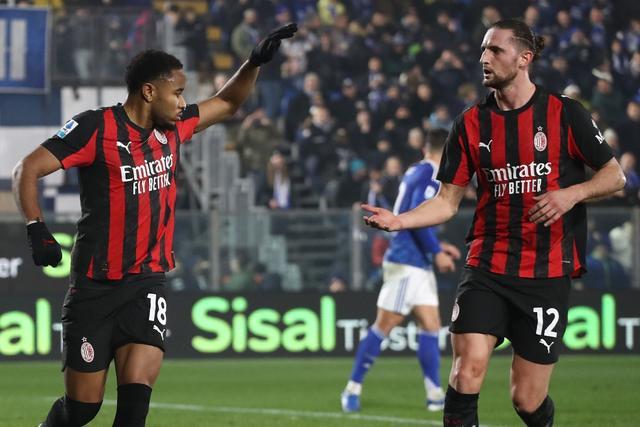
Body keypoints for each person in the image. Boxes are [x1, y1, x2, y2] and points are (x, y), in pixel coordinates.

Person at [12, 23, 297, 427]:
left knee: (134, 409)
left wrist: (253, 62)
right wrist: (35, 227)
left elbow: (227, 102)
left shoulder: (174, 128)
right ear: (149, 91)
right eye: (177, 92)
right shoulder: (95, 128)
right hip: (95, 287)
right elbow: (26, 169)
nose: (183, 102)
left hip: (147, 283)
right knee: (82, 409)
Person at [361, 19, 625, 427]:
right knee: (466, 370)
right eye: (483, 49)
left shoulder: (564, 113)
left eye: (496, 50)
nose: (484, 57)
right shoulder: (469, 123)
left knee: (527, 400)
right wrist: (400, 221)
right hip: (488, 264)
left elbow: (615, 176)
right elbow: (446, 201)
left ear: (524, 58)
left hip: (546, 270)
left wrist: (571, 194)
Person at [341, 128, 462, 413]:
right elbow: (415, 219)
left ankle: (434, 394)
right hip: (407, 261)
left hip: (416, 261)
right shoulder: (431, 173)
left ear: (425, 148)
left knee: (431, 325)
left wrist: (439, 246)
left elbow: (415, 216)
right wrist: (436, 252)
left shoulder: (417, 170)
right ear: (447, 152)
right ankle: (352, 389)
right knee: (385, 325)